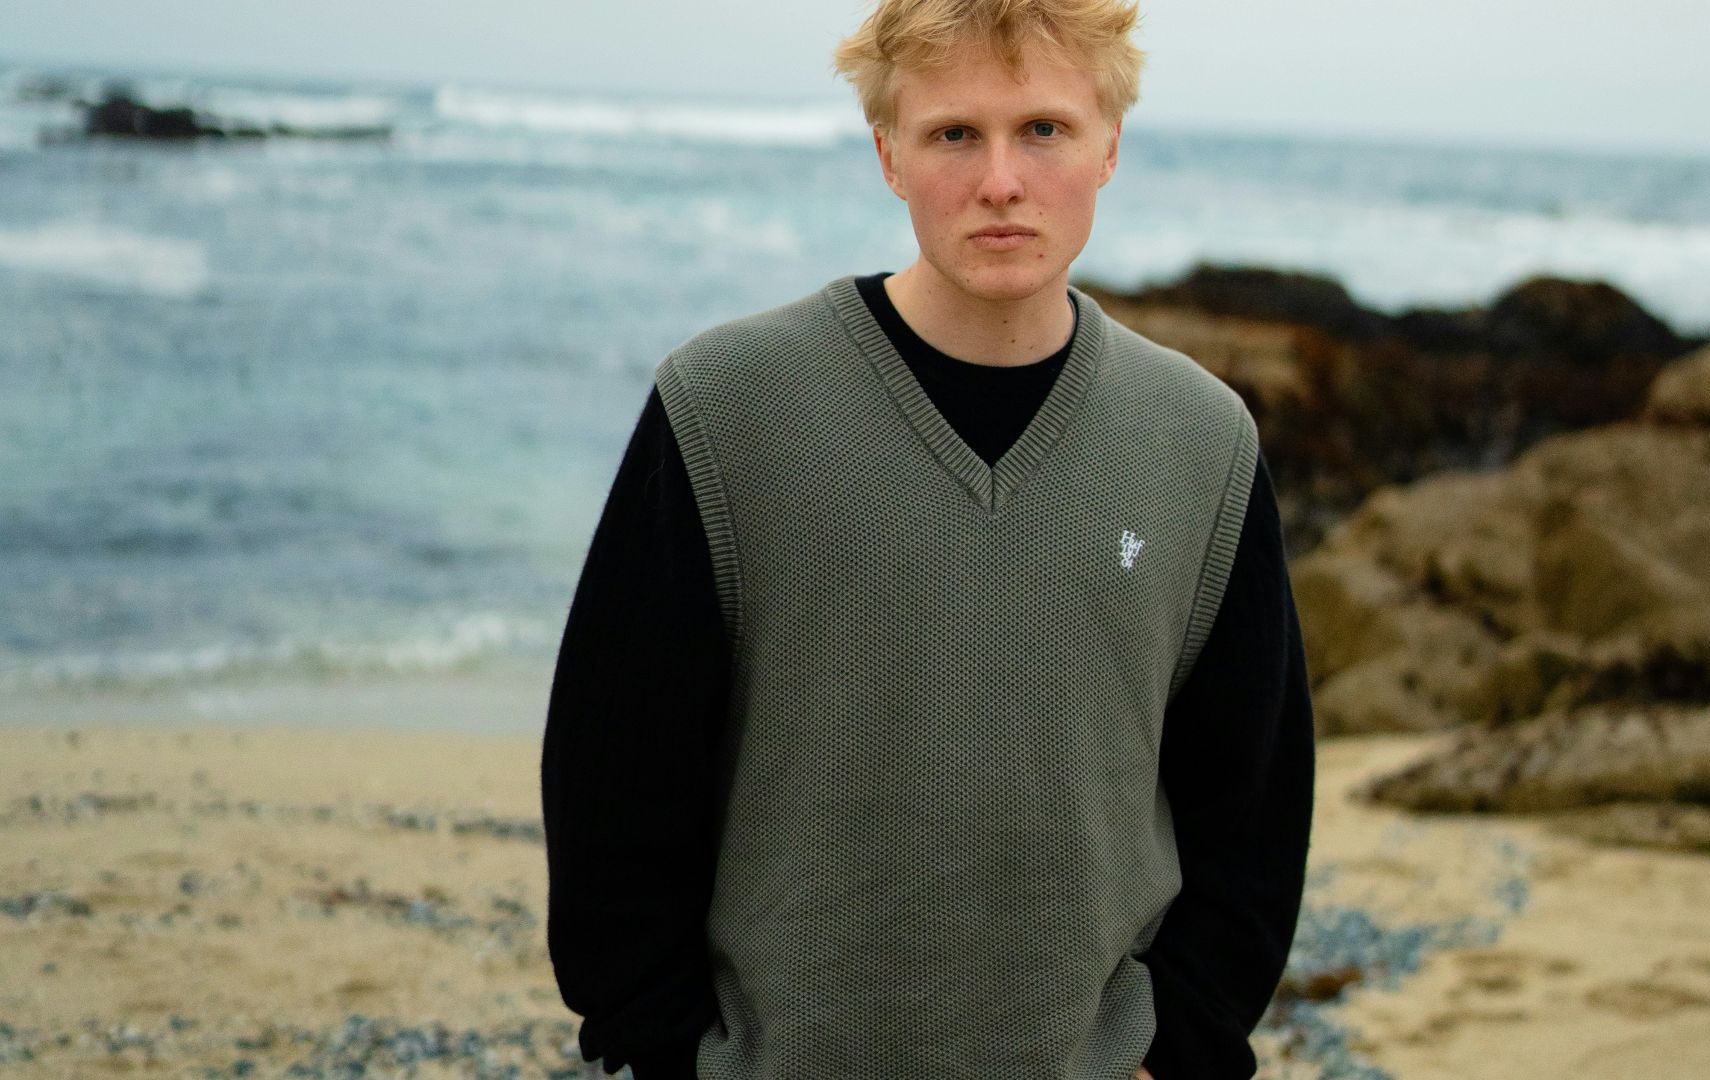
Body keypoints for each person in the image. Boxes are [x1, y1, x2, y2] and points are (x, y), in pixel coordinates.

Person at [539, 1, 1316, 1077]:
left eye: (1043, 129)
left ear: (1109, 147)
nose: (1001, 179)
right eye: (955, 133)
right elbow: (614, 775)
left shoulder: (1201, 441)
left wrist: (1180, 1042)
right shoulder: (726, 408)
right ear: (890, 155)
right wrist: (665, 1047)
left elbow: (1255, 806)